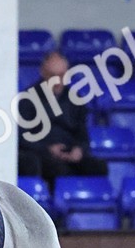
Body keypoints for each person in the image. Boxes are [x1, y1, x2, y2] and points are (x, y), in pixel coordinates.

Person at [17, 52, 108, 184]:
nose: (58, 81)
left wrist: (79, 150)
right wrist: (48, 149)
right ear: (43, 73)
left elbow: (82, 135)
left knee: (99, 167)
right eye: (53, 76)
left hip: (70, 154)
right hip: (43, 155)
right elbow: (22, 138)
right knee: (55, 168)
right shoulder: (27, 99)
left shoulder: (75, 98)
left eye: (61, 75)